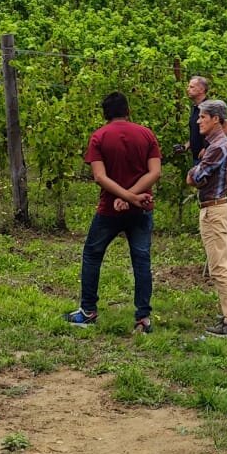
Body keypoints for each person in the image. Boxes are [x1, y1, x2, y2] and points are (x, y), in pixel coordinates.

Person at [69, 92, 160, 335]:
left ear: (105, 114)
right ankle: (143, 317)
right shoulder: (146, 134)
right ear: (128, 111)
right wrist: (133, 197)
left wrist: (124, 197)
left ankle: (88, 310)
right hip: (141, 208)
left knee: (92, 254)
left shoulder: (99, 137)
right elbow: (155, 172)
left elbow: (100, 177)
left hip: (109, 209)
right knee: (141, 259)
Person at [188, 99, 227, 337]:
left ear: (216, 119)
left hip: (213, 210)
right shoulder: (221, 145)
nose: (198, 121)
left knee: (218, 267)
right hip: (221, 207)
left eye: (203, 117)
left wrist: (193, 172)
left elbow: (196, 177)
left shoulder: (217, 148)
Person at [185, 75, 210, 166]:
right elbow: (196, 132)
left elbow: (225, 129)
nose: (188, 89)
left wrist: (207, 148)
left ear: (201, 90)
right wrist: (186, 146)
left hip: (207, 158)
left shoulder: (209, 107)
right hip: (196, 157)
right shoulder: (195, 108)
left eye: (192, 87)